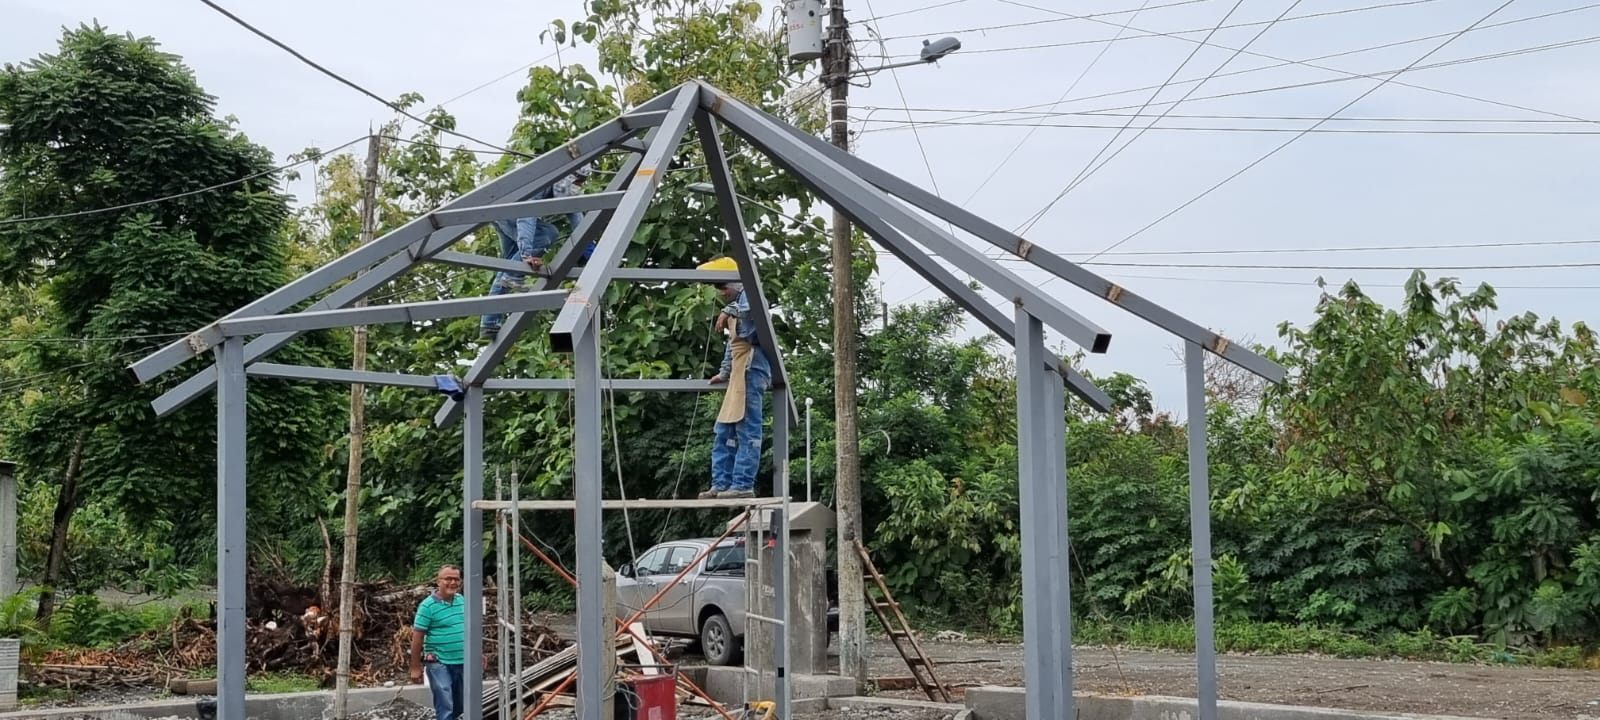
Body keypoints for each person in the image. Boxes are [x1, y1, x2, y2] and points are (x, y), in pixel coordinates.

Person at [479, 165, 593, 340]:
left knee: (510, 265)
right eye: (578, 182)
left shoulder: (565, 189)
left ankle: (489, 323)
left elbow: (580, 226)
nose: (578, 186)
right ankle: (511, 280)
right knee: (547, 234)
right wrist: (526, 255)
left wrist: (592, 256)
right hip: (505, 208)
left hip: (500, 210)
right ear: (569, 177)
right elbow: (526, 216)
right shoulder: (542, 181)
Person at [696, 257, 771, 500]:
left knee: (746, 428)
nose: (721, 292)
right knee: (724, 431)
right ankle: (721, 483)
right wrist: (724, 372)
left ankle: (742, 483)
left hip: (752, 365)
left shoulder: (749, 297)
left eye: (722, 285)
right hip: (739, 368)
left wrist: (728, 310)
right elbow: (733, 343)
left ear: (736, 283)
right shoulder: (735, 305)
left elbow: (756, 310)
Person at [409, 565, 467, 720]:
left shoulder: (462, 601)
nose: (453, 582)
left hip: (462, 661)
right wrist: (415, 667)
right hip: (438, 661)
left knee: (461, 705)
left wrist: (478, 654)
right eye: (448, 579)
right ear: (438, 581)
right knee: (445, 702)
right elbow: (417, 638)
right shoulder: (427, 606)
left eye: (456, 579)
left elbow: (470, 630)